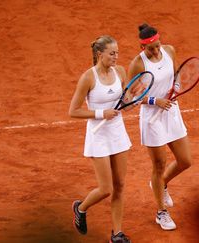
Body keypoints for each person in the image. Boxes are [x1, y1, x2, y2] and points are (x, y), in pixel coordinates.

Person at [128, 23, 192, 231]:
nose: (156, 51)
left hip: (172, 112)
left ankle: (160, 184)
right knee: (159, 166)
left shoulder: (170, 51)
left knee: (185, 161)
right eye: (151, 48)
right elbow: (130, 97)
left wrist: (177, 86)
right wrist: (155, 100)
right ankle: (161, 212)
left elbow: (175, 76)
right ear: (142, 47)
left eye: (158, 46)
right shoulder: (138, 64)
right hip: (152, 118)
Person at [69, 35, 132, 243]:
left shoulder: (120, 72)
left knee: (120, 185)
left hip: (118, 134)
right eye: (112, 53)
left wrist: (131, 103)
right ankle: (81, 207)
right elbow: (74, 111)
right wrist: (100, 113)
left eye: (117, 53)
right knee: (106, 189)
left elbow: (126, 100)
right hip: (98, 136)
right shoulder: (89, 77)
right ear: (100, 54)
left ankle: (117, 234)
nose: (116, 57)